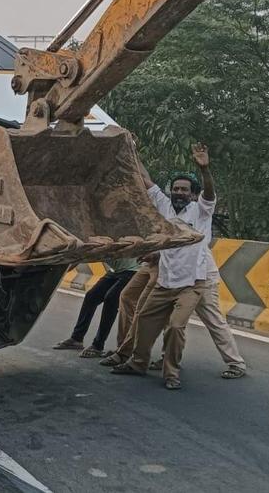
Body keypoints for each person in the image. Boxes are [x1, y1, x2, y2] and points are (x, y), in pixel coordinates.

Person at [111, 143, 216, 390]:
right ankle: (138, 363)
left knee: (176, 327)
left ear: (192, 194)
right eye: (176, 189)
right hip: (164, 282)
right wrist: (131, 151)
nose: (179, 193)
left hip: (191, 284)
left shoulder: (201, 211)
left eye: (185, 190)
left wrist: (205, 169)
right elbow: (144, 179)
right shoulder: (165, 205)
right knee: (144, 320)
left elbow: (210, 193)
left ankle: (171, 374)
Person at [53, 256, 139, 357]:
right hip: (115, 270)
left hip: (133, 270)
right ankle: (77, 338)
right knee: (91, 296)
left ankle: (98, 345)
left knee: (111, 299)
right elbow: (78, 257)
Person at [98, 253, 160, 367]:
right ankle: (123, 348)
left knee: (160, 313)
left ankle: (133, 356)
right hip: (151, 263)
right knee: (127, 297)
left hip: (169, 267)